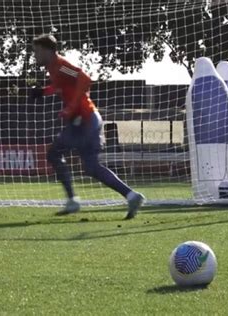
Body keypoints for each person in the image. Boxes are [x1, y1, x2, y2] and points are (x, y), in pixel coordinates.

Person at [30, 34, 145, 220]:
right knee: (90, 167)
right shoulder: (54, 68)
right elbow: (62, 86)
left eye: (37, 51)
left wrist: (71, 107)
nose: (35, 56)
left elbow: (84, 79)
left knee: (55, 153)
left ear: (47, 50)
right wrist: (44, 91)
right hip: (84, 121)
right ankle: (132, 196)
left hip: (84, 121)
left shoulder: (60, 65)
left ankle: (73, 201)